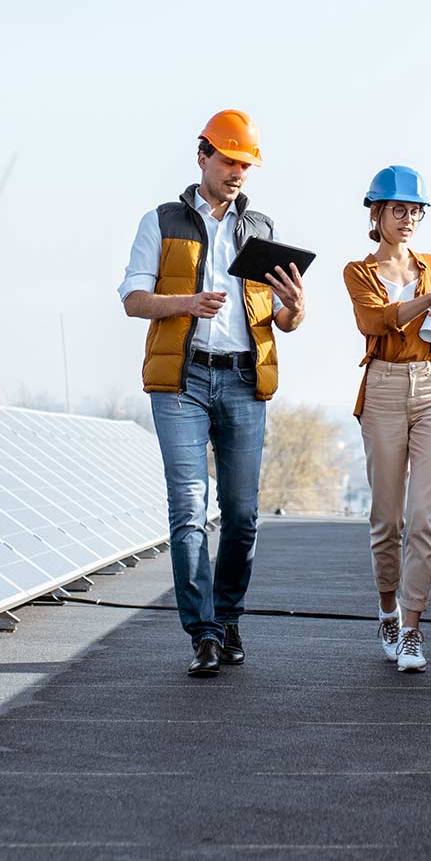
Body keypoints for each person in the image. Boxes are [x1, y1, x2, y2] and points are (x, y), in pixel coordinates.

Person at [118, 110, 306, 677]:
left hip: (246, 379)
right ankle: (200, 633)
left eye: (245, 164)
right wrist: (185, 304)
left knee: (244, 515)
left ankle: (227, 620)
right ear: (202, 156)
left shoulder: (262, 229)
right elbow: (132, 298)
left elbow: (282, 318)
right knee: (189, 510)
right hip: (182, 380)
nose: (237, 172)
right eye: (229, 161)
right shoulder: (162, 221)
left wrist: (296, 308)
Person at [342, 166, 431, 674]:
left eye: (416, 210)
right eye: (400, 209)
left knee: (425, 517)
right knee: (388, 519)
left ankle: (414, 630)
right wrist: (426, 301)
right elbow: (372, 322)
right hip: (384, 387)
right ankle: (387, 610)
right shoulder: (359, 271)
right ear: (377, 213)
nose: (409, 218)